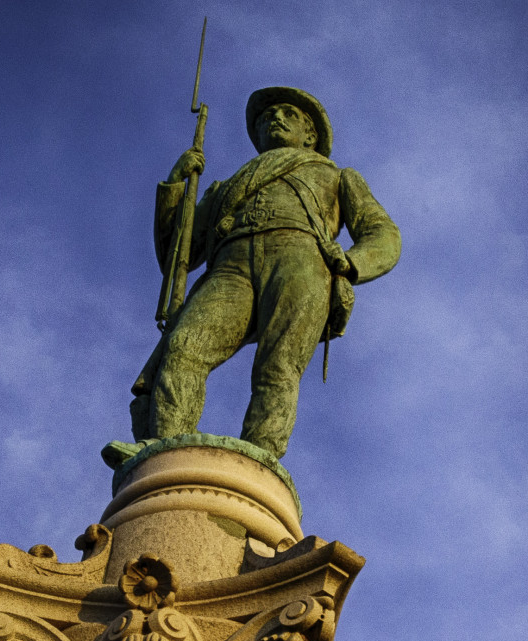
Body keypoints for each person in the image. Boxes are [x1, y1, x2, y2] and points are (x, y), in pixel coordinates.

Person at [129, 86, 400, 461]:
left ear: (311, 135)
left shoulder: (336, 177)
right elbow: (179, 253)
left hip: (301, 261)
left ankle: (260, 463)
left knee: (278, 367)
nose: (274, 118)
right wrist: (178, 183)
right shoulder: (227, 189)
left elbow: (383, 233)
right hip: (230, 265)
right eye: (265, 117)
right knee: (183, 347)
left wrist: (353, 261)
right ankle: (163, 450)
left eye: (289, 113)